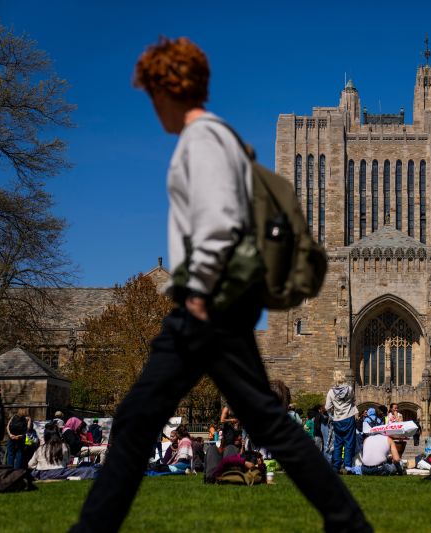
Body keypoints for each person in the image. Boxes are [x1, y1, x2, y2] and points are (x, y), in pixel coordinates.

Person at [68, 37, 370, 533]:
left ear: (170, 89)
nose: (153, 105)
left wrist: (201, 296)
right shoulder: (217, 138)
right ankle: (347, 519)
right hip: (212, 306)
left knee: (140, 421)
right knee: (245, 422)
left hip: (206, 307)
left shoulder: (204, 140)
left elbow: (221, 222)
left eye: (152, 92)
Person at [326, 377, 358, 474]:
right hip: (349, 418)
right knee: (349, 443)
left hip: (337, 419)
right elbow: (354, 400)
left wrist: (333, 412)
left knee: (338, 444)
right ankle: (347, 467)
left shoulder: (331, 392)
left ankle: (336, 467)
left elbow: (327, 407)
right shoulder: (350, 389)